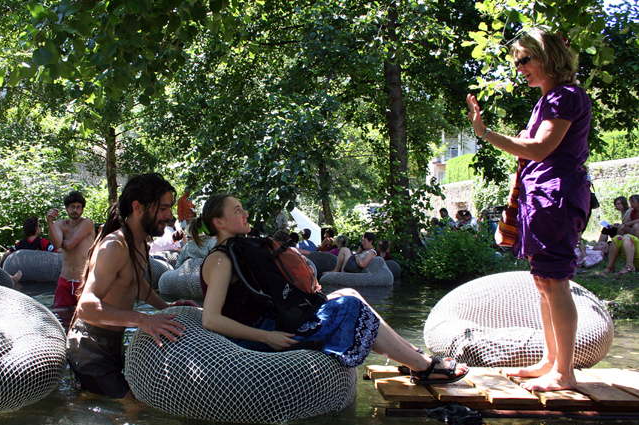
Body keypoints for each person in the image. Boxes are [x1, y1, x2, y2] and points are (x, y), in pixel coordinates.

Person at [190, 194, 468, 384]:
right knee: (351, 306)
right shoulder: (220, 259)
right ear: (219, 222)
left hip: (273, 324)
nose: (245, 212)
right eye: (237, 210)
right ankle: (425, 369)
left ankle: (414, 357)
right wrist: (267, 337)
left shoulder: (235, 250)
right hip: (260, 338)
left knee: (349, 294)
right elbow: (211, 319)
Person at [466, 28, 591, 392]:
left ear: (547, 55)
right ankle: (551, 362)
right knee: (543, 282)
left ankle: (564, 373)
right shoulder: (548, 100)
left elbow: (538, 149)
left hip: (557, 198)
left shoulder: (563, 97)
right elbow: (534, 148)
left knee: (555, 281)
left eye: (525, 59)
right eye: (516, 61)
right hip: (543, 199)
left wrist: (485, 133)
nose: (519, 67)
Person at [67, 173, 198, 399]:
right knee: (134, 407)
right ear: (138, 207)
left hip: (111, 342)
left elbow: (136, 284)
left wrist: (165, 306)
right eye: (163, 208)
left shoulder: (139, 243)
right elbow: (85, 307)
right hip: (90, 345)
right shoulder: (114, 246)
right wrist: (141, 319)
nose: (170, 215)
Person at [47, 191, 95, 310]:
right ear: (67, 209)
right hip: (65, 280)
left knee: (84, 315)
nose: (75, 210)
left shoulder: (87, 223)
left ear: (82, 210)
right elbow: (57, 245)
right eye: (72, 207)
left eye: (78, 207)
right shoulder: (59, 224)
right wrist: (49, 222)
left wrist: (62, 239)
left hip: (83, 280)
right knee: (60, 314)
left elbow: (68, 245)